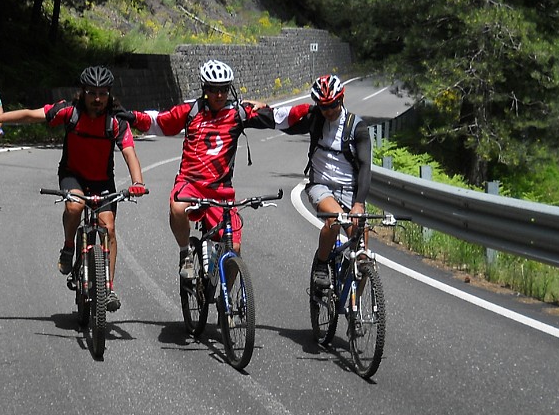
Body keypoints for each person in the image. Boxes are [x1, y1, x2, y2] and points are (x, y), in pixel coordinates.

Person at [0, 65, 146, 311]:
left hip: (102, 180)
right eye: (92, 93)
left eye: (103, 93)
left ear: (110, 94)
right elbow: (31, 115)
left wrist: (137, 182)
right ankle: (68, 246)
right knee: (75, 207)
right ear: (82, 92)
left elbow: (129, 152)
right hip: (72, 175)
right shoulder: (69, 112)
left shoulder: (116, 120)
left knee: (109, 227)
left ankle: (107, 288)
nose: (97, 99)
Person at [117, 59, 275, 279]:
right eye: (213, 89)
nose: (219, 95)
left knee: (234, 250)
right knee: (177, 208)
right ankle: (185, 254)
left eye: (223, 89)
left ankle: (225, 306)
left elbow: (279, 118)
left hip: (220, 189)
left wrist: (264, 106)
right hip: (189, 183)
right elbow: (160, 122)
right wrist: (134, 117)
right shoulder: (191, 111)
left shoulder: (238, 113)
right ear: (204, 89)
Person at [271, 74, 372, 289]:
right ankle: (321, 263)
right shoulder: (315, 119)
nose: (329, 111)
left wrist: (359, 203)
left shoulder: (357, 128)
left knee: (363, 257)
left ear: (341, 99)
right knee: (335, 219)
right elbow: (280, 121)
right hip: (321, 186)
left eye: (333, 105)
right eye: (323, 106)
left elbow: (365, 167)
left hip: (350, 190)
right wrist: (256, 111)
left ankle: (356, 314)